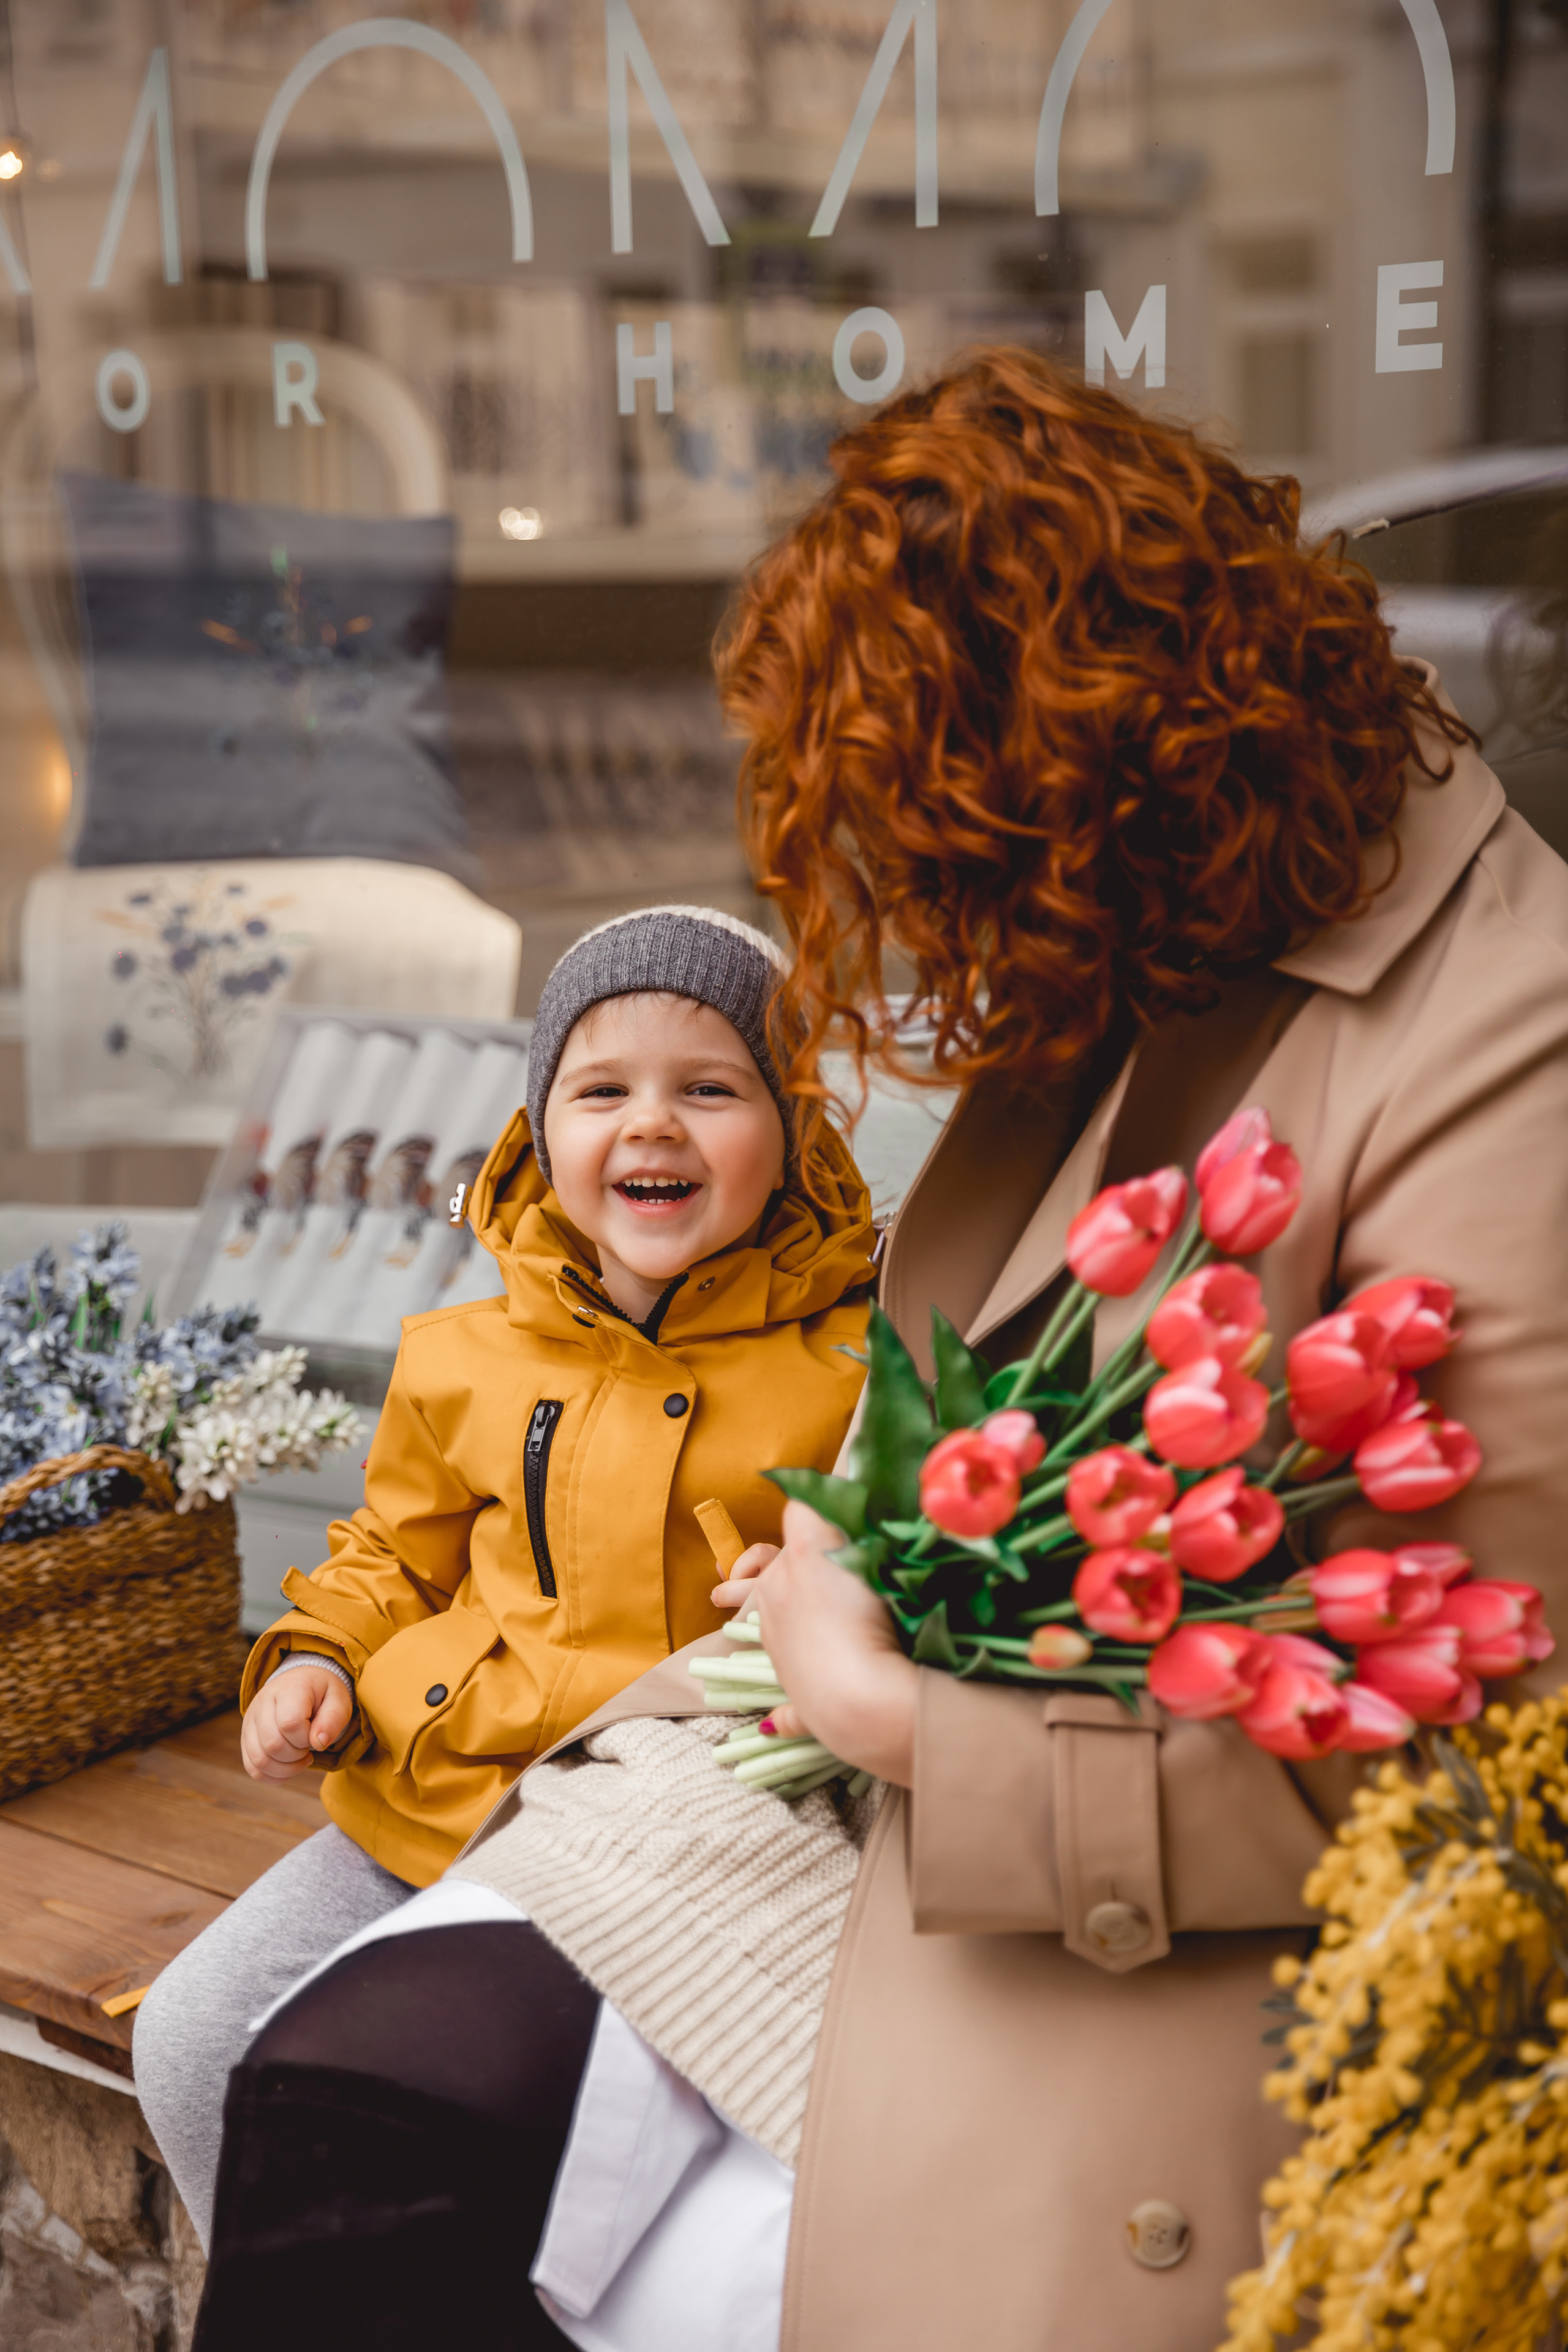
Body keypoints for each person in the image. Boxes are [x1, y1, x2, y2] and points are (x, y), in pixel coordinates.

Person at [187, 347, 1568, 2352]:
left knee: (499, 2210)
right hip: (857, 1777)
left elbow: (1466, 1757)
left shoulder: (1493, 1045)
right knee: (335, 2096)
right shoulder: (1170, 941)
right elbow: (943, 1424)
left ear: (1116, 770)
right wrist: (840, 1568)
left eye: (949, 858)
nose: (923, 939)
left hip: (1123, 1912)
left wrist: (884, 1699)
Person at [132, 903, 876, 2260]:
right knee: (195, 2037)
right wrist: (311, 1658)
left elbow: (907, 1569)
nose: (651, 1125)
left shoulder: (853, 1365)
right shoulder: (464, 1353)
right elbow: (390, 1555)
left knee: (486, 2134)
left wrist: (823, 1586)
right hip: (441, 1799)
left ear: (796, 1130)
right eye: (602, 1090)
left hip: (665, 1845)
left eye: (708, 1088)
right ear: (542, 1131)